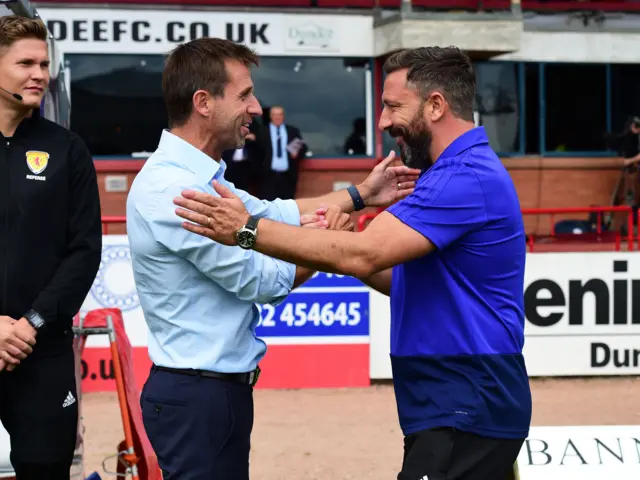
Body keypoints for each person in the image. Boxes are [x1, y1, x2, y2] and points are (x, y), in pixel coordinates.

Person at [174, 46, 532, 480]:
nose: (381, 121)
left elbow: (366, 254)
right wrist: (340, 242)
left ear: (436, 105)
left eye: (392, 106)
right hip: (457, 401)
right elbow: (397, 274)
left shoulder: (463, 176)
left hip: (465, 401)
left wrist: (246, 229)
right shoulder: (449, 171)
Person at [125, 37, 420, 480]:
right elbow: (259, 279)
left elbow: (272, 213)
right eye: (244, 94)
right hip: (199, 396)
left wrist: (362, 195)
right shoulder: (175, 190)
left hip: (209, 393)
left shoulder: (198, 175)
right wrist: (331, 249)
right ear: (203, 102)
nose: (257, 107)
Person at [0, 15, 102, 480]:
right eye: (25, 63)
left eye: (44, 63)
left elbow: (84, 251)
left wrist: (31, 323)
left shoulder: (67, 149)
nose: (40, 73)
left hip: (41, 348)